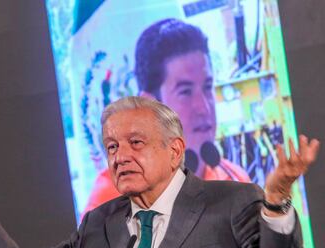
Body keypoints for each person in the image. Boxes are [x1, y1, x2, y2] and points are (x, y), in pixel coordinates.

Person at [0, 96, 319, 248]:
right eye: (111, 146)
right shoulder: (98, 226)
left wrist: (278, 199)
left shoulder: (232, 202)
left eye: (136, 143)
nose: (120, 155)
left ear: (175, 150)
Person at [84, 18, 250, 214]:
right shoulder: (111, 200)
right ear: (151, 106)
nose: (203, 107)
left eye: (207, 88)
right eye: (185, 92)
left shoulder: (235, 179)